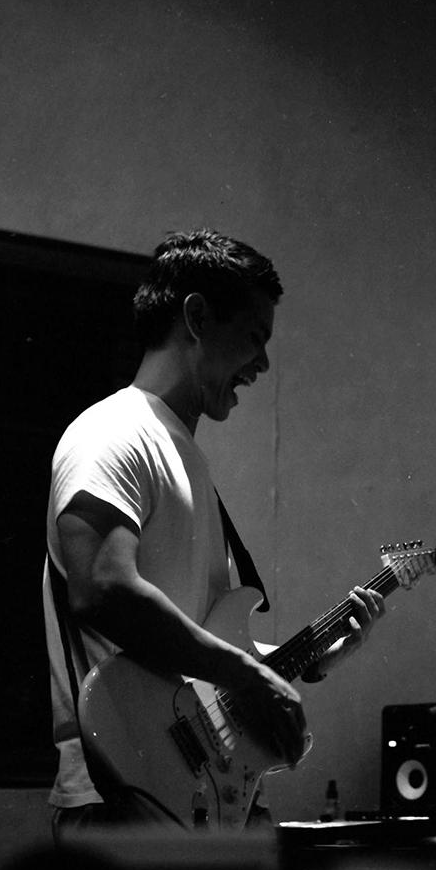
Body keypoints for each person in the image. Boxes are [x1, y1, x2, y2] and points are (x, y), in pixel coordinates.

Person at [43, 228, 385, 838]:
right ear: (197, 317)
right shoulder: (112, 432)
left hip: (195, 802)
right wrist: (249, 677)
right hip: (125, 799)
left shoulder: (185, 457)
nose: (263, 363)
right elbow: (102, 588)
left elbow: (192, 644)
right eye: (254, 337)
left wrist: (302, 661)